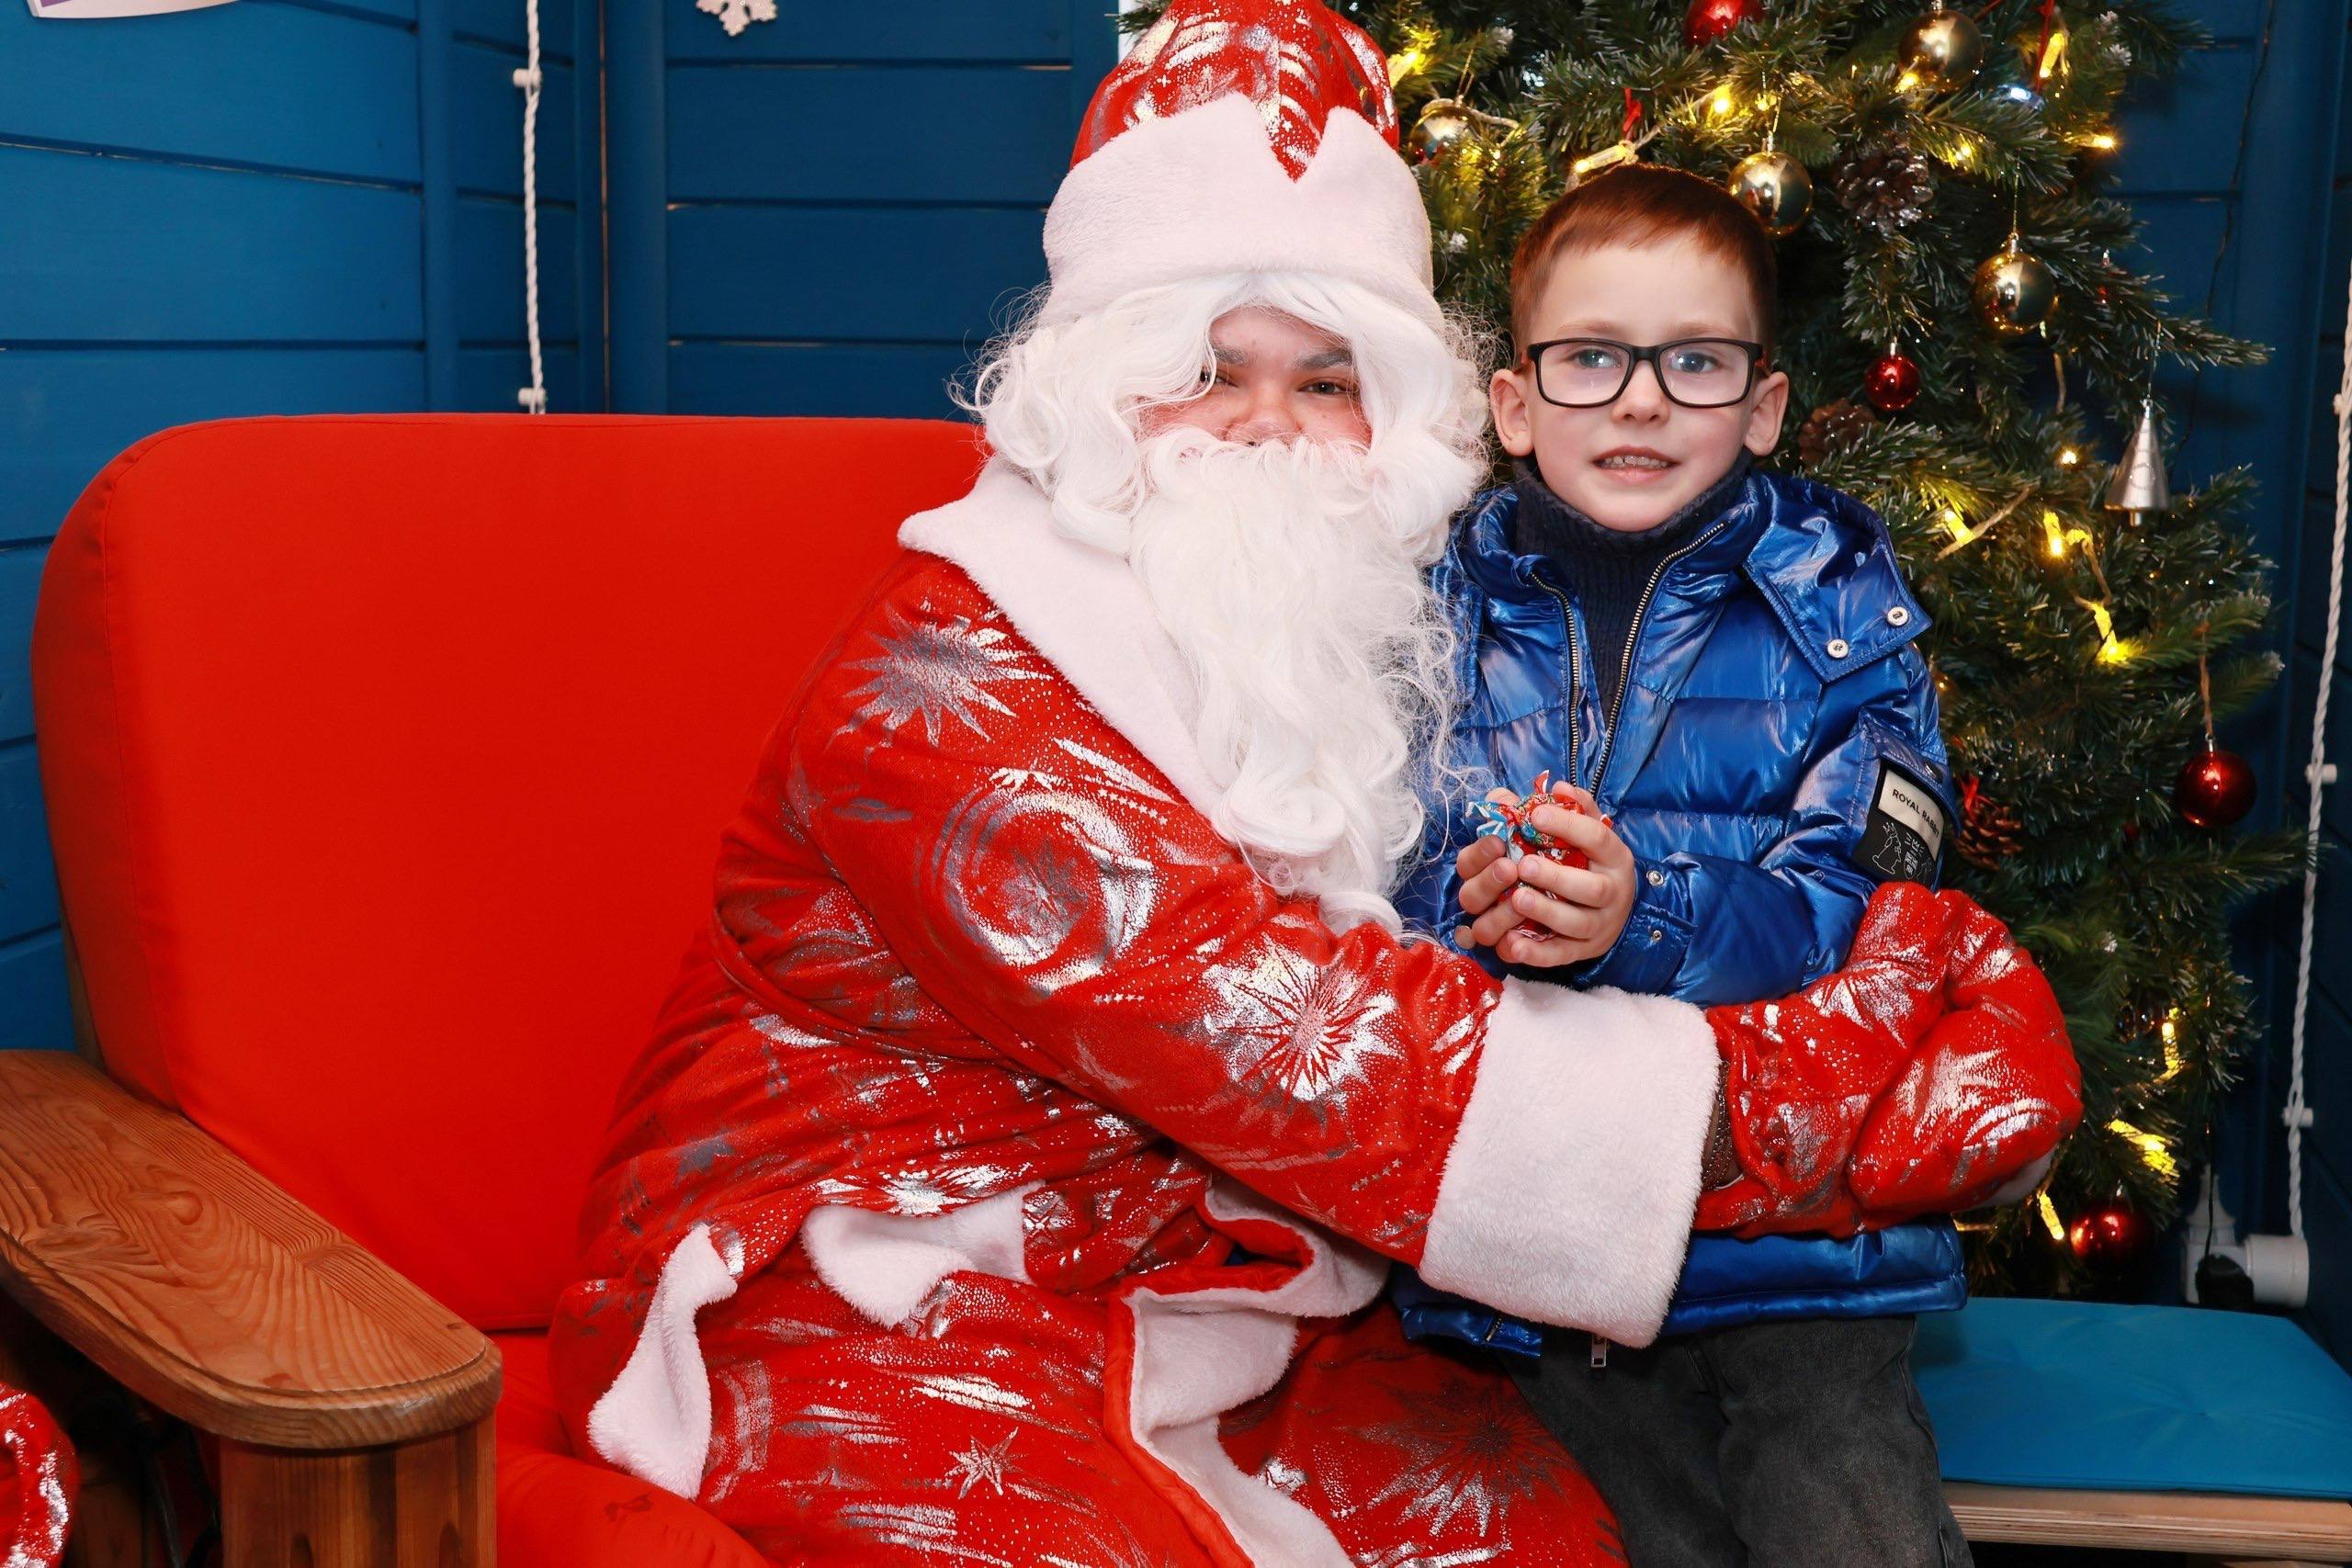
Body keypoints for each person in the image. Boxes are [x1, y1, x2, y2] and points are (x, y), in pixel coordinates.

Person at [547, 6, 2081, 1563]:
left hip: (1210, 1272)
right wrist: (1861, 1085)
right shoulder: (951, 680)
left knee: (1546, 1536)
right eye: (1207, 371)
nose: (1268, 429)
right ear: (1098, 391)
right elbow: (1310, 1046)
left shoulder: (1332, 635)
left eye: (1329, 381)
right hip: (858, 1274)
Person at [1391, 164, 1992, 1567]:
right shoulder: (1428, 609)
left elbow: (1869, 905)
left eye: (1696, 362)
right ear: (1515, 405)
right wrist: (1472, 906)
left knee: (1848, 1516)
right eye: (1592, 358)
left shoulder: (1842, 613)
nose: (1643, 402)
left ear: (1763, 406)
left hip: (1789, 1228)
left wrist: (1641, 916)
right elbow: (1354, 876)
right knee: (1622, 1528)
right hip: (1539, 1221)